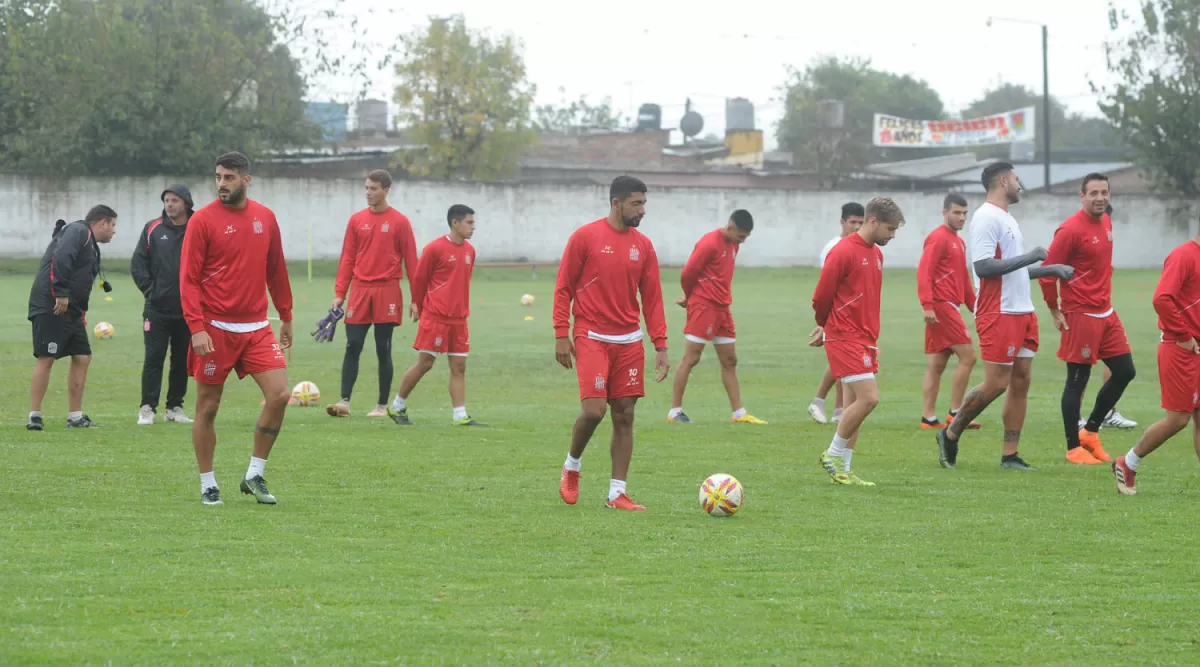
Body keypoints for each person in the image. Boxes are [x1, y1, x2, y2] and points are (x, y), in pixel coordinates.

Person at [934, 162, 1074, 471]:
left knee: (1021, 381)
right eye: (1016, 179)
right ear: (1002, 181)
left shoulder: (1007, 219)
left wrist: (1051, 269)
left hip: (1023, 310)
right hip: (999, 312)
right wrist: (1032, 255)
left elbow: (1014, 270)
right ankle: (951, 433)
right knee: (996, 382)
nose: (1020, 184)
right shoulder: (985, 218)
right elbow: (984, 267)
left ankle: (1010, 454)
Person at [180, 151, 294, 506]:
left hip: (258, 326)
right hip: (214, 328)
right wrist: (197, 327)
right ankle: (208, 482)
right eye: (217, 177)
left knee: (279, 395)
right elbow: (189, 280)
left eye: (229, 178)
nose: (221, 184)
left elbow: (276, 269)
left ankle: (254, 474)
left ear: (246, 180)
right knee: (208, 407)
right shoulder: (202, 221)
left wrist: (286, 314)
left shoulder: (265, 218)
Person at [554, 176, 669, 511]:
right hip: (591, 335)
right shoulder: (585, 237)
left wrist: (660, 345)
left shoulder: (644, 246)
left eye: (644, 203)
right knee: (595, 410)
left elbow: (653, 298)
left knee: (625, 414)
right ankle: (572, 465)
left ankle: (617, 493)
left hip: (629, 340)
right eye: (637, 203)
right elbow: (564, 287)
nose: (642, 210)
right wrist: (562, 332)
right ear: (616, 203)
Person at [1040, 173, 1136, 465]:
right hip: (1079, 315)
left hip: (1106, 313)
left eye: (1104, 192)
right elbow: (1048, 271)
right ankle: (1073, 448)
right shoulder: (1069, 230)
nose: (1099, 198)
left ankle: (1091, 431)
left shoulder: (1106, 221)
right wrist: (1055, 309)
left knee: (1125, 371)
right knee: (1077, 381)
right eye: (1093, 193)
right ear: (1081, 196)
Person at [810, 197, 905, 487]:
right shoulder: (843, 252)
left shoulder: (877, 254)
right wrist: (826, 325)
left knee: (854, 405)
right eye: (890, 228)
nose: (892, 235)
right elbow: (821, 297)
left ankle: (845, 469)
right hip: (844, 336)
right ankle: (833, 454)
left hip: (865, 338)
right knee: (869, 398)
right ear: (872, 220)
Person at [1111, 233, 1200, 495]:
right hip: (1180, 348)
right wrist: (1183, 336)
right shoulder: (1184, 255)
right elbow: (1162, 298)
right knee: (1178, 419)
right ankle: (1127, 462)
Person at [326, 169, 418, 418]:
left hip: (387, 290)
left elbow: (411, 262)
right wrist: (340, 293)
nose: (368, 193)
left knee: (382, 348)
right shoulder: (357, 220)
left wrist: (417, 299)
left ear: (386, 190)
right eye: (366, 188)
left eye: (373, 189)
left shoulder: (400, 222)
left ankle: (381, 406)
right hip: (360, 290)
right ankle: (344, 402)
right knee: (353, 344)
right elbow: (347, 257)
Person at [388, 205, 486, 426]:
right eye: (469, 223)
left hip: (459, 319)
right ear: (455, 223)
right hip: (436, 316)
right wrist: (417, 304)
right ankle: (397, 406)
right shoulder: (435, 248)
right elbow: (420, 279)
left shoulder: (470, 251)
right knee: (425, 363)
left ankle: (460, 415)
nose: (473, 227)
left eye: (473, 222)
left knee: (459, 366)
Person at [667, 210, 765, 425]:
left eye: (746, 237)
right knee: (691, 358)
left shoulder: (733, 244)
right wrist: (690, 297)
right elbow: (687, 273)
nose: (742, 241)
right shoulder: (709, 243)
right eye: (740, 236)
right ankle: (675, 412)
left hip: (722, 307)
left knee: (730, 360)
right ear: (730, 227)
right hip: (704, 306)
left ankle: (739, 413)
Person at [26, 206, 118, 431]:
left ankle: (75, 417)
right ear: (102, 223)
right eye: (113, 225)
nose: (114, 231)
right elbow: (62, 258)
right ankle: (34, 416)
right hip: (53, 305)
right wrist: (61, 292)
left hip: (72, 311)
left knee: (82, 356)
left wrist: (80, 313)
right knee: (47, 357)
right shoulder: (79, 231)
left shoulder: (89, 242)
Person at [131, 185, 194, 425]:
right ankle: (147, 408)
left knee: (181, 360)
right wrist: (150, 290)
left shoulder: (199, 227)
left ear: (186, 203)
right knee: (154, 357)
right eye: (166, 200)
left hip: (188, 310)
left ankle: (175, 408)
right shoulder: (153, 229)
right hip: (157, 309)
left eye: (174, 200)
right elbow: (138, 264)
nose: (169, 205)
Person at [917, 194, 980, 430]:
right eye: (956, 212)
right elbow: (924, 272)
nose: (961, 217)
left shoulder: (958, 241)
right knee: (969, 356)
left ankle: (928, 418)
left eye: (964, 213)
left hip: (948, 306)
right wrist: (927, 305)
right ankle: (956, 413)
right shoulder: (937, 238)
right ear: (945, 212)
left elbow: (963, 279)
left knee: (937, 364)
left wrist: (977, 308)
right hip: (941, 306)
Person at [808, 202, 864, 425]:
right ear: (842, 222)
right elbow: (828, 286)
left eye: (861, 223)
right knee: (844, 361)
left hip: (854, 314)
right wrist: (825, 321)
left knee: (845, 363)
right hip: (838, 313)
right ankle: (822, 402)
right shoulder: (835, 248)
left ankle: (838, 408)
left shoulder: (861, 246)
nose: (857, 227)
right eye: (853, 222)